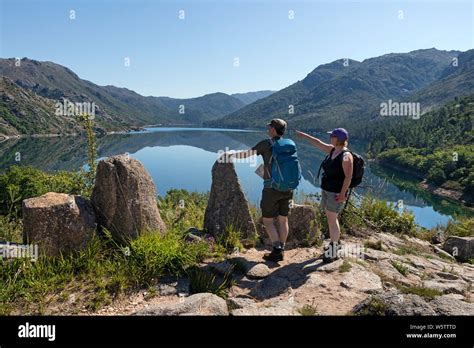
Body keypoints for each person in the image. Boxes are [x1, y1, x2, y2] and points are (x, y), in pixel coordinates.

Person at [221, 119, 295, 262]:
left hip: (271, 189)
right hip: (288, 188)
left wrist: (231, 154)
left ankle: (277, 250)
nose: (268, 130)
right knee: (283, 219)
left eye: (269, 128)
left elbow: (246, 154)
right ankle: (282, 247)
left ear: (273, 130)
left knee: (267, 221)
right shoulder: (289, 144)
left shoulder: (266, 144)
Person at [296, 128, 353, 263]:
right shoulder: (333, 150)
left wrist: (342, 194)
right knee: (331, 218)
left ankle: (333, 250)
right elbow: (317, 142)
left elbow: (348, 177)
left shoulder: (346, 156)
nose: (330, 138)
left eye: (332, 136)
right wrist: (305, 135)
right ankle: (336, 243)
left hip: (335, 193)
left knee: (332, 221)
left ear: (337, 139)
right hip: (327, 190)